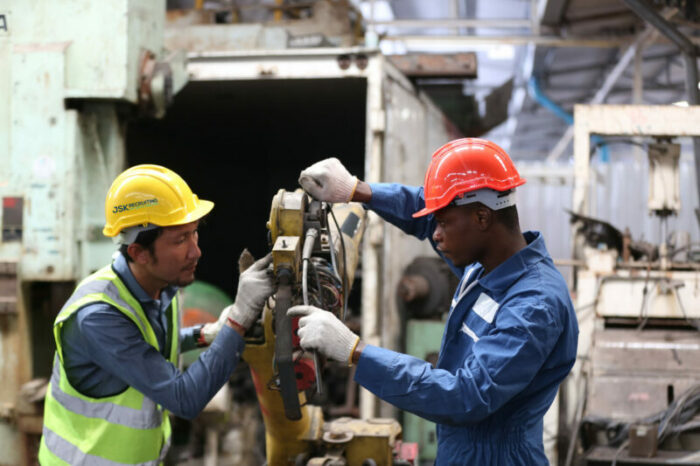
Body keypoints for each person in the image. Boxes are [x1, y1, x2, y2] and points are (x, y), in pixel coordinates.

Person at [289, 138, 579, 465]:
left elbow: (466, 396)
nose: (436, 235)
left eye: (442, 223)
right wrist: (356, 190)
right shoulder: (486, 263)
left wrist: (355, 351)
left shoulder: (534, 305)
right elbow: (426, 214)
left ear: (483, 217)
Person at [39, 164, 273, 465]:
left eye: (194, 234)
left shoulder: (161, 286)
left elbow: (148, 347)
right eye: (179, 240)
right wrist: (238, 320)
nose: (196, 252)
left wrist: (206, 334)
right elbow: (184, 399)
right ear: (138, 253)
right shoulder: (98, 317)